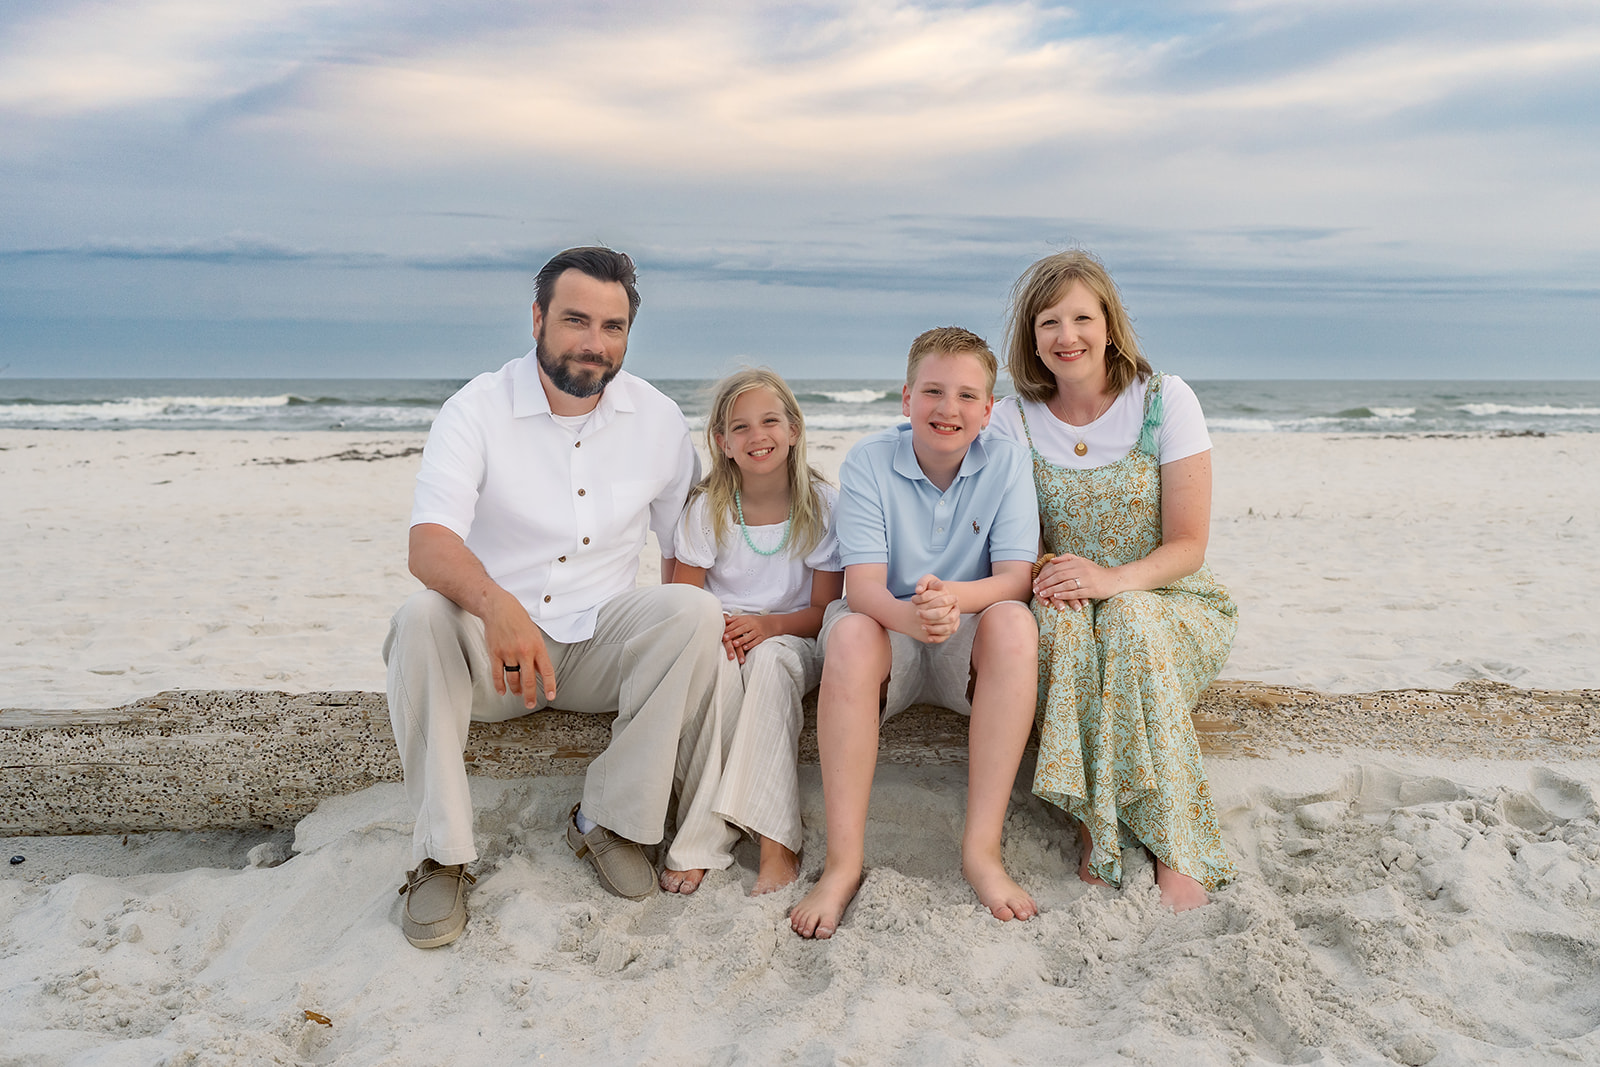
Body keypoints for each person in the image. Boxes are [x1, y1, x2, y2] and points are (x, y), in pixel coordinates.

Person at [383, 246, 736, 949]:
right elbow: (428, 547)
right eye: (577, 320)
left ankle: (605, 818)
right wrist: (496, 606)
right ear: (539, 318)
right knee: (420, 616)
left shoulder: (659, 420)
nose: (595, 343)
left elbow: (683, 552)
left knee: (692, 612)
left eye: (613, 327)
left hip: (595, 646)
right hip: (494, 655)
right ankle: (441, 856)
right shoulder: (476, 409)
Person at [988, 250, 1238, 912]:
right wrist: (1065, 578)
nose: (1066, 336)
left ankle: (1172, 847)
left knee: (1129, 620)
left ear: (1109, 323)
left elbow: (1188, 545)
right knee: (1068, 630)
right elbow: (1021, 543)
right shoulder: (1012, 419)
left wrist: (1113, 580)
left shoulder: (1164, 400)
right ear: (1031, 338)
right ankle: (1098, 832)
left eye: (1081, 317)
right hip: (1066, 597)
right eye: (1049, 322)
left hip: (1168, 598)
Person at [789, 327, 1041, 940]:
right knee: (848, 633)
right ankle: (844, 863)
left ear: (988, 409)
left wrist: (952, 601)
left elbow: (1014, 578)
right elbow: (865, 588)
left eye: (965, 396)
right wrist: (915, 616)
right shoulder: (869, 461)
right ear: (906, 398)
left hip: (967, 637)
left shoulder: (1007, 462)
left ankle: (981, 852)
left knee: (1014, 622)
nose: (946, 409)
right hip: (888, 637)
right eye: (932, 391)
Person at [662, 368, 844, 896]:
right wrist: (724, 632)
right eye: (739, 427)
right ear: (722, 442)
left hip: (795, 638)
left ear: (793, 430)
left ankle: (776, 844)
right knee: (718, 672)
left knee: (770, 662)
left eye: (769, 421)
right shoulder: (707, 509)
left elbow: (825, 610)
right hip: (722, 636)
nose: (756, 436)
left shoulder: (822, 506)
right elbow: (685, 601)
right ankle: (701, 836)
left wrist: (768, 627)